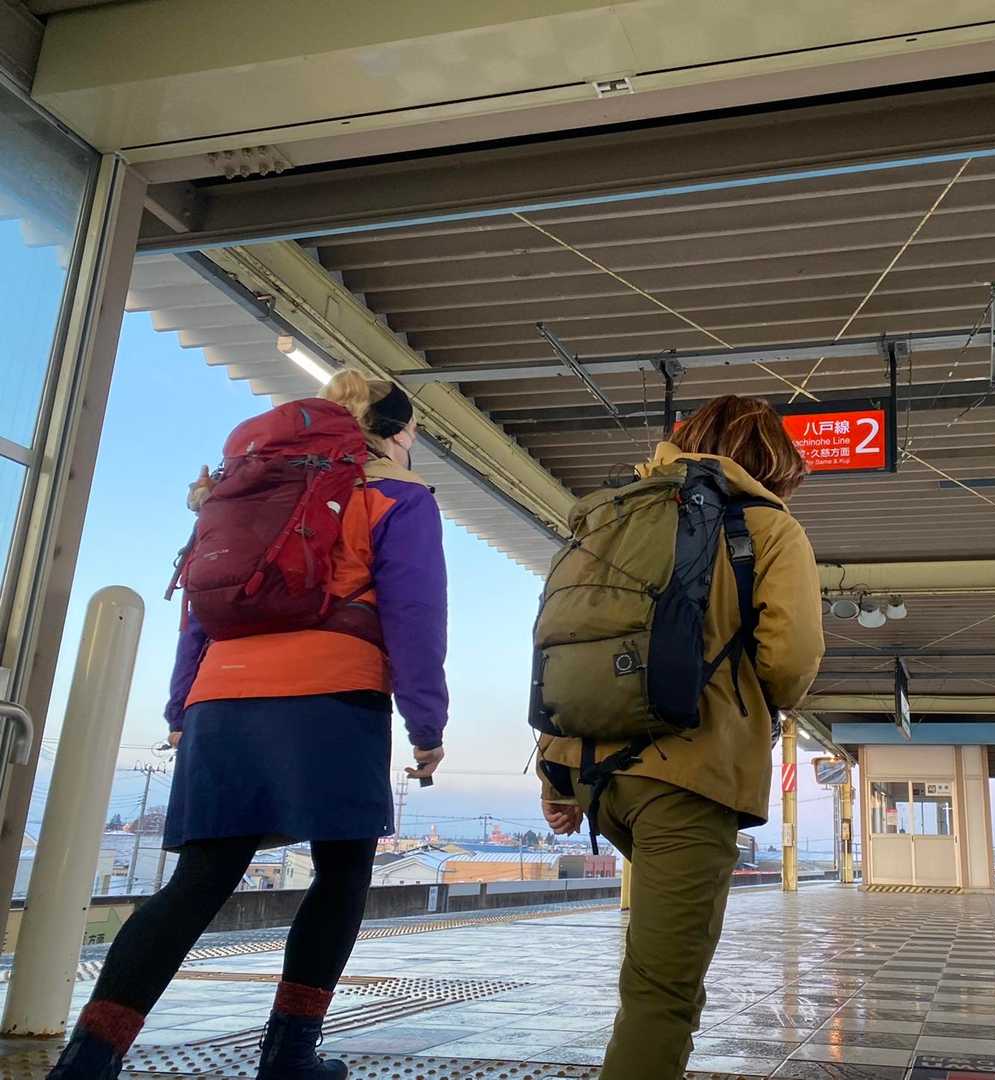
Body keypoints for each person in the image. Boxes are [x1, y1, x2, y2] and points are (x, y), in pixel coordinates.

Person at [50, 373, 449, 1080]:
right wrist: (427, 724)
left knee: (199, 880)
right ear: (395, 431)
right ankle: (289, 1055)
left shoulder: (244, 491)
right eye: (414, 432)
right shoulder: (398, 494)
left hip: (222, 695)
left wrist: (182, 707)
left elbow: (199, 607)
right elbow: (414, 615)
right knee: (342, 872)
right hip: (333, 693)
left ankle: (88, 1060)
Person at [537, 395, 823, 1080]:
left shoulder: (611, 514)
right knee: (661, 996)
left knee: (654, 975)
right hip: (688, 781)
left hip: (591, 774)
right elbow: (789, 663)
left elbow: (562, 641)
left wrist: (555, 772)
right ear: (775, 462)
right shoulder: (768, 527)